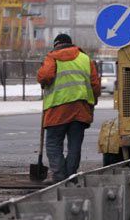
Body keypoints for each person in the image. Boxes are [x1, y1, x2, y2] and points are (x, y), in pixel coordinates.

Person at [37, 33, 101, 182]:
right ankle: (71, 176)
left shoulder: (52, 57)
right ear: (71, 44)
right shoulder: (85, 59)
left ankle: (60, 177)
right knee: (75, 145)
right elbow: (95, 85)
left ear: (56, 45)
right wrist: (93, 101)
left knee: (53, 144)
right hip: (80, 109)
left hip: (57, 110)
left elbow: (45, 76)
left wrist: (42, 80)